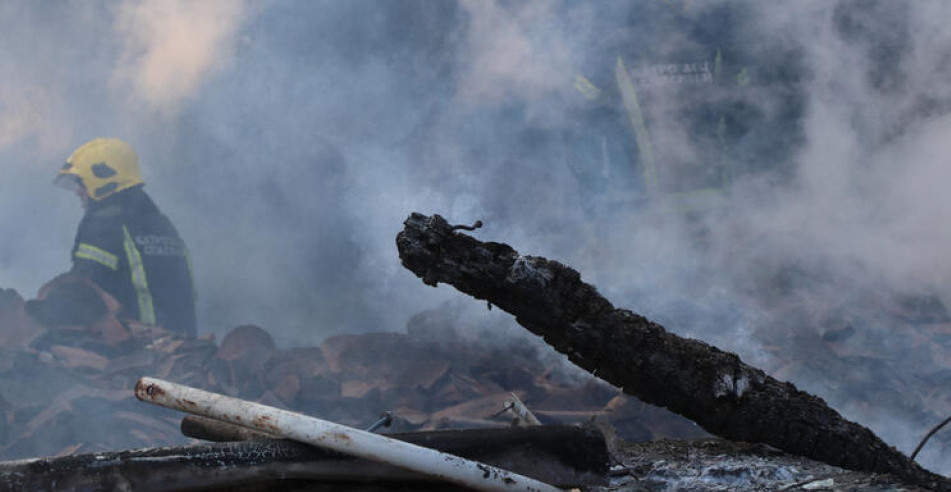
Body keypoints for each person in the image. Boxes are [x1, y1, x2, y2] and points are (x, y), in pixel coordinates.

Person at [52, 138, 198, 337]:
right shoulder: (162, 224)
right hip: (184, 344)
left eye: (82, 184)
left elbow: (81, 291)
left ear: (102, 181)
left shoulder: (103, 226)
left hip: (139, 349)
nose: (78, 192)